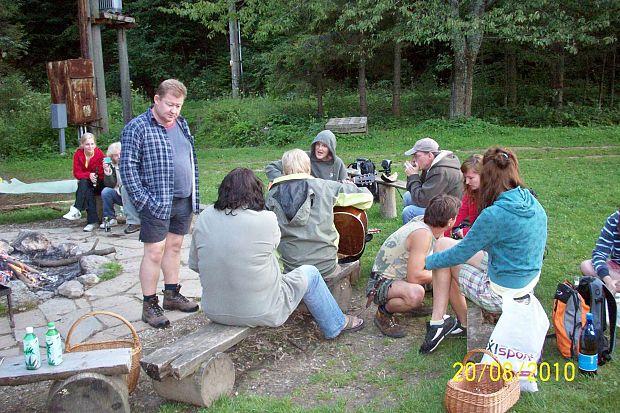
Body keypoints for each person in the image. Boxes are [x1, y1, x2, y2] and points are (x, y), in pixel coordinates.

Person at [189, 168, 364, 337]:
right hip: (263, 310)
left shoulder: (204, 218)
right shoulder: (266, 219)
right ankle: (337, 323)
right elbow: (275, 249)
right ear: (256, 192)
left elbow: (195, 265)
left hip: (213, 310)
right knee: (310, 272)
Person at [419, 147, 547, 354]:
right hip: (526, 278)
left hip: (501, 293)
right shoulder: (530, 201)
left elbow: (460, 254)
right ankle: (441, 322)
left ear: (488, 180)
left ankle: (438, 323)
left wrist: (426, 263)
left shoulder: (494, 214)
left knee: (443, 260)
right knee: (443, 245)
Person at [120, 79, 200, 328]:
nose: (174, 110)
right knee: (154, 252)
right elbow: (127, 168)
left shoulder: (182, 125)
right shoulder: (137, 127)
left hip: (183, 198)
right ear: (156, 99)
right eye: (170, 104)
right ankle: (149, 304)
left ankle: (172, 295)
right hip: (156, 201)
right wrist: (143, 200)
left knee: (174, 247)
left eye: (178, 106)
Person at [266, 149, 373, 278]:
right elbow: (367, 197)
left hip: (291, 269)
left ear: (284, 169)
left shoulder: (271, 196)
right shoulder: (326, 187)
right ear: (308, 166)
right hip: (326, 265)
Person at [367, 194, 461, 339]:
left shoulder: (428, 225)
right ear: (450, 221)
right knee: (416, 294)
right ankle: (383, 313)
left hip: (400, 277)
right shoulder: (422, 234)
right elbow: (415, 276)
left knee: (438, 272)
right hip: (380, 284)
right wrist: (445, 274)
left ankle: (411, 306)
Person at [402, 137, 463, 224]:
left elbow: (422, 201)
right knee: (408, 196)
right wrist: (412, 176)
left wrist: (413, 176)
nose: (413, 160)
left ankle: (417, 236)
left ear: (430, 155)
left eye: (416, 156)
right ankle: (418, 230)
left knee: (409, 212)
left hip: (448, 212)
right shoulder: (433, 165)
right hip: (438, 204)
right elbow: (417, 192)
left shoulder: (440, 171)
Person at [265, 130, 348, 182]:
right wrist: (284, 180)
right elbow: (270, 167)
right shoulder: (303, 157)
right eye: (318, 144)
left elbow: (343, 185)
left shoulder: (337, 163)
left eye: (324, 146)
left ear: (331, 148)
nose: (320, 148)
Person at [63, 132, 104, 232]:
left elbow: (102, 173)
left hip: (100, 182)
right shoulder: (78, 154)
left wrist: (93, 175)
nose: (90, 147)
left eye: (92, 144)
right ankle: (92, 222)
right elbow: (77, 173)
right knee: (85, 187)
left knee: (83, 184)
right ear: (82, 145)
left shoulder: (99, 154)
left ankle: (76, 209)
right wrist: (89, 175)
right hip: (87, 182)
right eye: (87, 144)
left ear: (95, 144)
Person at [580, 208, 620, 293]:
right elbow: (599, 254)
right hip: (616, 269)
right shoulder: (614, 220)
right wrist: (608, 281)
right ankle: (614, 285)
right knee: (586, 266)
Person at [443, 154, 483, 239]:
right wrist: (444, 230)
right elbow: (460, 212)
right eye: (465, 178)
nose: (467, 182)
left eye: (471, 178)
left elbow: (490, 227)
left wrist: (466, 232)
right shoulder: (471, 192)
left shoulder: (493, 196)